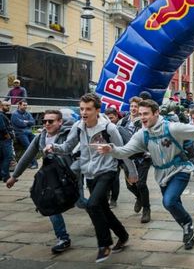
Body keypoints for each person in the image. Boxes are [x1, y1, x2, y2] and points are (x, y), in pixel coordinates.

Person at [97, 99, 194, 250]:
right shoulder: (142, 134)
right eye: (140, 114)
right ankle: (188, 229)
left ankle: (188, 226)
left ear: (156, 113)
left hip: (179, 169)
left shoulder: (172, 128)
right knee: (173, 204)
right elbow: (125, 151)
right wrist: (111, 149)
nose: (142, 117)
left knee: (169, 201)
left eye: (146, 114)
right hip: (161, 175)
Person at [45, 93, 138, 263]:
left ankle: (104, 244)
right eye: (81, 109)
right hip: (89, 173)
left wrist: (132, 173)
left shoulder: (109, 128)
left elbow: (122, 151)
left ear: (97, 110)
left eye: (88, 109)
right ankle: (123, 235)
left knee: (92, 205)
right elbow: (67, 147)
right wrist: (53, 147)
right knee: (103, 208)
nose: (84, 112)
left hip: (107, 171)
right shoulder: (78, 126)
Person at [6, 110, 75, 254]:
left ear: (60, 122)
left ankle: (102, 216)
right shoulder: (41, 137)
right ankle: (63, 238)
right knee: (49, 203)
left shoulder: (68, 134)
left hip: (70, 175)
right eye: (44, 121)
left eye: (51, 121)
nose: (47, 124)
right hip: (51, 175)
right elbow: (27, 156)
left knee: (83, 202)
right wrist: (15, 176)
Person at [119, 96, 152, 224]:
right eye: (131, 106)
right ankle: (139, 197)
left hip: (143, 156)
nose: (133, 108)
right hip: (128, 157)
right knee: (130, 185)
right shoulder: (123, 121)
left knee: (141, 184)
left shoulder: (144, 121)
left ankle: (146, 210)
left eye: (136, 106)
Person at [11, 100, 37, 169]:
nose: (25, 106)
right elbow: (19, 124)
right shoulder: (15, 114)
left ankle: (32, 163)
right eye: (24, 105)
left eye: (26, 105)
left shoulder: (27, 113)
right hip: (20, 133)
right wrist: (27, 122)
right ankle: (34, 164)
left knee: (37, 144)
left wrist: (25, 122)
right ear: (19, 105)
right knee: (29, 148)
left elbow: (33, 122)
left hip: (29, 133)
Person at [0, 101, 15, 182]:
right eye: (6, 106)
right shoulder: (0, 114)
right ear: (1, 106)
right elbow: (2, 128)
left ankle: (2, 176)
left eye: (9, 106)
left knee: (2, 158)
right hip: (4, 140)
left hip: (3, 139)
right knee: (8, 157)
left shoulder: (3, 114)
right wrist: (8, 136)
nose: (8, 107)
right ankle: (6, 176)